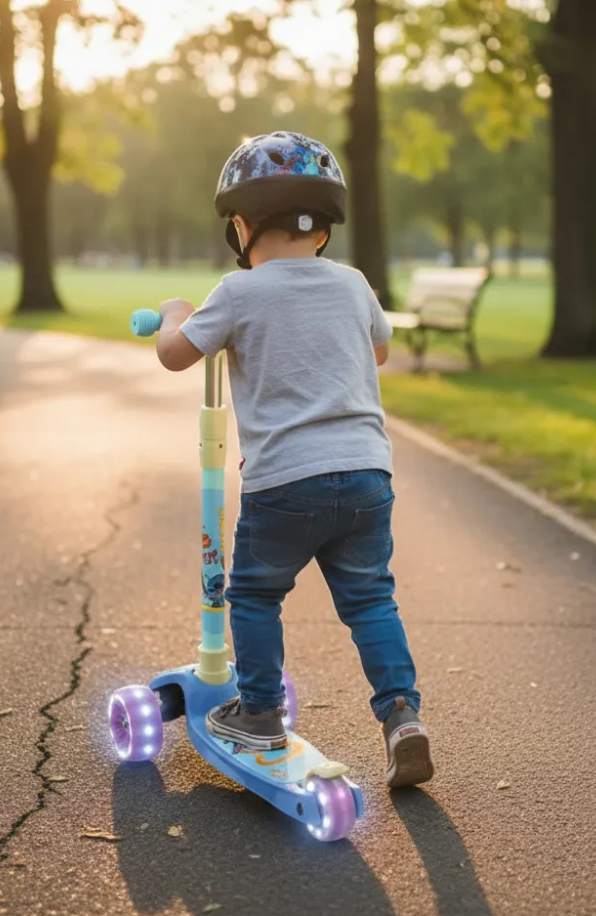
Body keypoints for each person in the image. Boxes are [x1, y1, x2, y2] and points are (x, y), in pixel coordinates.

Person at [150, 131, 434, 788]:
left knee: (251, 592)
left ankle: (258, 712)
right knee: (370, 602)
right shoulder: (354, 284)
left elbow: (176, 354)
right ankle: (402, 717)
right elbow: (379, 352)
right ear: (324, 232)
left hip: (285, 483)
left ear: (242, 227)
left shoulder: (238, 291)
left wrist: (174, 314)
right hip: (367, 476)